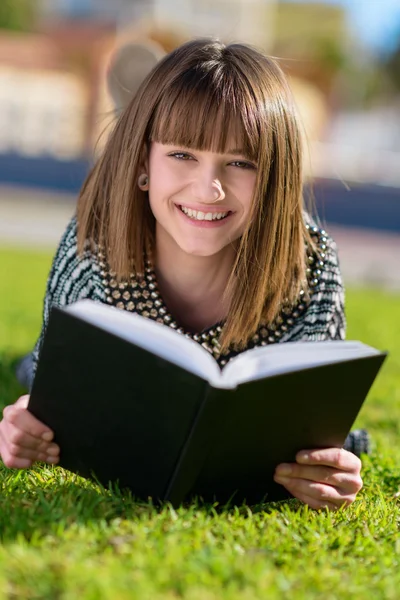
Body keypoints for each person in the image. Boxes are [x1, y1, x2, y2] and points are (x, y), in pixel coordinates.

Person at [0, 39, 364, 511]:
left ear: (275, 175)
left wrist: (330, 467)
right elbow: (58, 392)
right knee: (31, 370)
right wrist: (29, 423)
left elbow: (317, 428)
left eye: (240, 162)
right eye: (182, 155)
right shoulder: (94, 241)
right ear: (143, 162)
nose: (209, 188)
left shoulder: (311, 264)